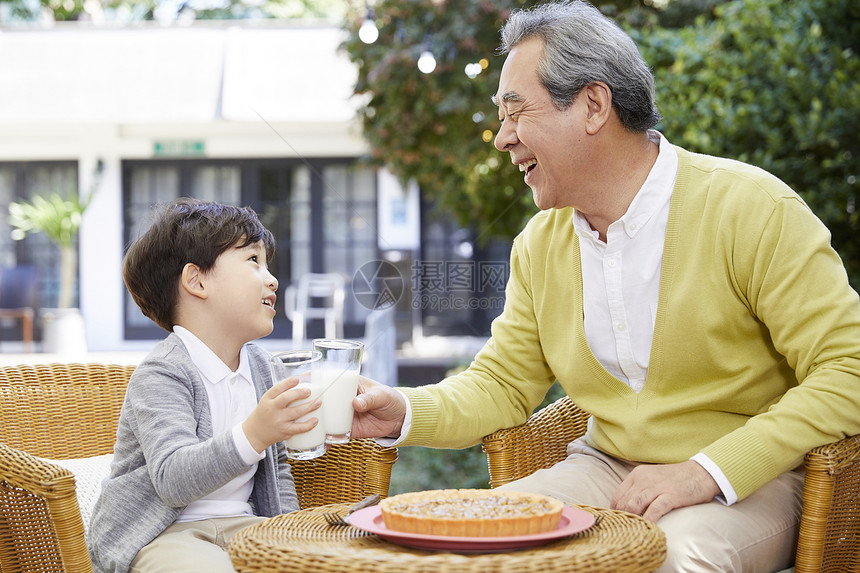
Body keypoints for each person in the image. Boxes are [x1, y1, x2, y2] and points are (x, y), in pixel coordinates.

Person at [351, 1, 860, 571]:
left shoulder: (753, 210)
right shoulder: (540, 244)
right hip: (605, 468)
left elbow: (848, 368)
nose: (502, 138)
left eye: (516, 112)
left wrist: (707, 470)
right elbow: (501, 385)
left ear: (594, 105)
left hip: (753, 478)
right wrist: (401, 411)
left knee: (674, 557)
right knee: (480, 543)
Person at [88, 198, 318, 573]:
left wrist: (289, 531)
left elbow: (277, 474)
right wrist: (254, 432)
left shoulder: (262, 367)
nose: (272, 278)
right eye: (253, 261)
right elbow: (173, 479)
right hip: (165, 535)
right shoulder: (163, 373)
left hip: (247, 526)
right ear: (197, 281)